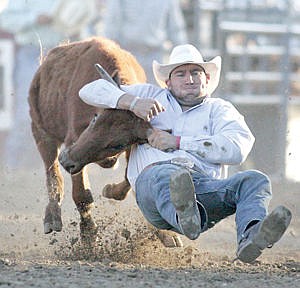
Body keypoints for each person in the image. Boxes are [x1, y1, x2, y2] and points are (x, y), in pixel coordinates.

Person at [78, 44, 292, 263]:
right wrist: (131, 102)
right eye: (181, 73)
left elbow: (237, 148)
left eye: (195, 72)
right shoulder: (148, 95)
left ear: (206, 79)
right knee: (166, 174)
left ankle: (252, 233)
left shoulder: (220, 109)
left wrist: (179, 142)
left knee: (255, 180)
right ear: (168, 82)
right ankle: (186, 216)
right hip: (153, 185)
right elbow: (88, 91)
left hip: (204, 187)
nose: (189, 79)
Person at [0, 0, 95, 169]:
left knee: (66, 113)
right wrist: (35, 18)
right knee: (26, 113)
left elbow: (84, 19)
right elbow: (5, 19)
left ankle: (52, 168)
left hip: (65, 53)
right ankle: (12, 168)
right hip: (32, 52)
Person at [101, 0, 187, 84]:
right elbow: (112, 23)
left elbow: (176, 29)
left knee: (155, 94)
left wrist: (183, 58)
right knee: (129, 91)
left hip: (155, 56)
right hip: (129, 55)